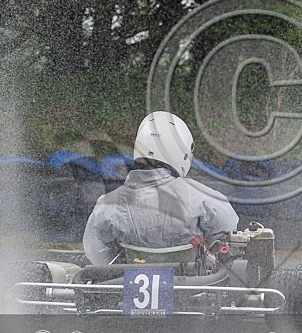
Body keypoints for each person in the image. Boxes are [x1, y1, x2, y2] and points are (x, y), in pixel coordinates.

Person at [83, 111, 239, 265]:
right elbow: (228, 241)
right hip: (194, 287)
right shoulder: (205, 199)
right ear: (181, 151)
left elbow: (97, 255)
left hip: (129, 284)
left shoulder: (107, 205)